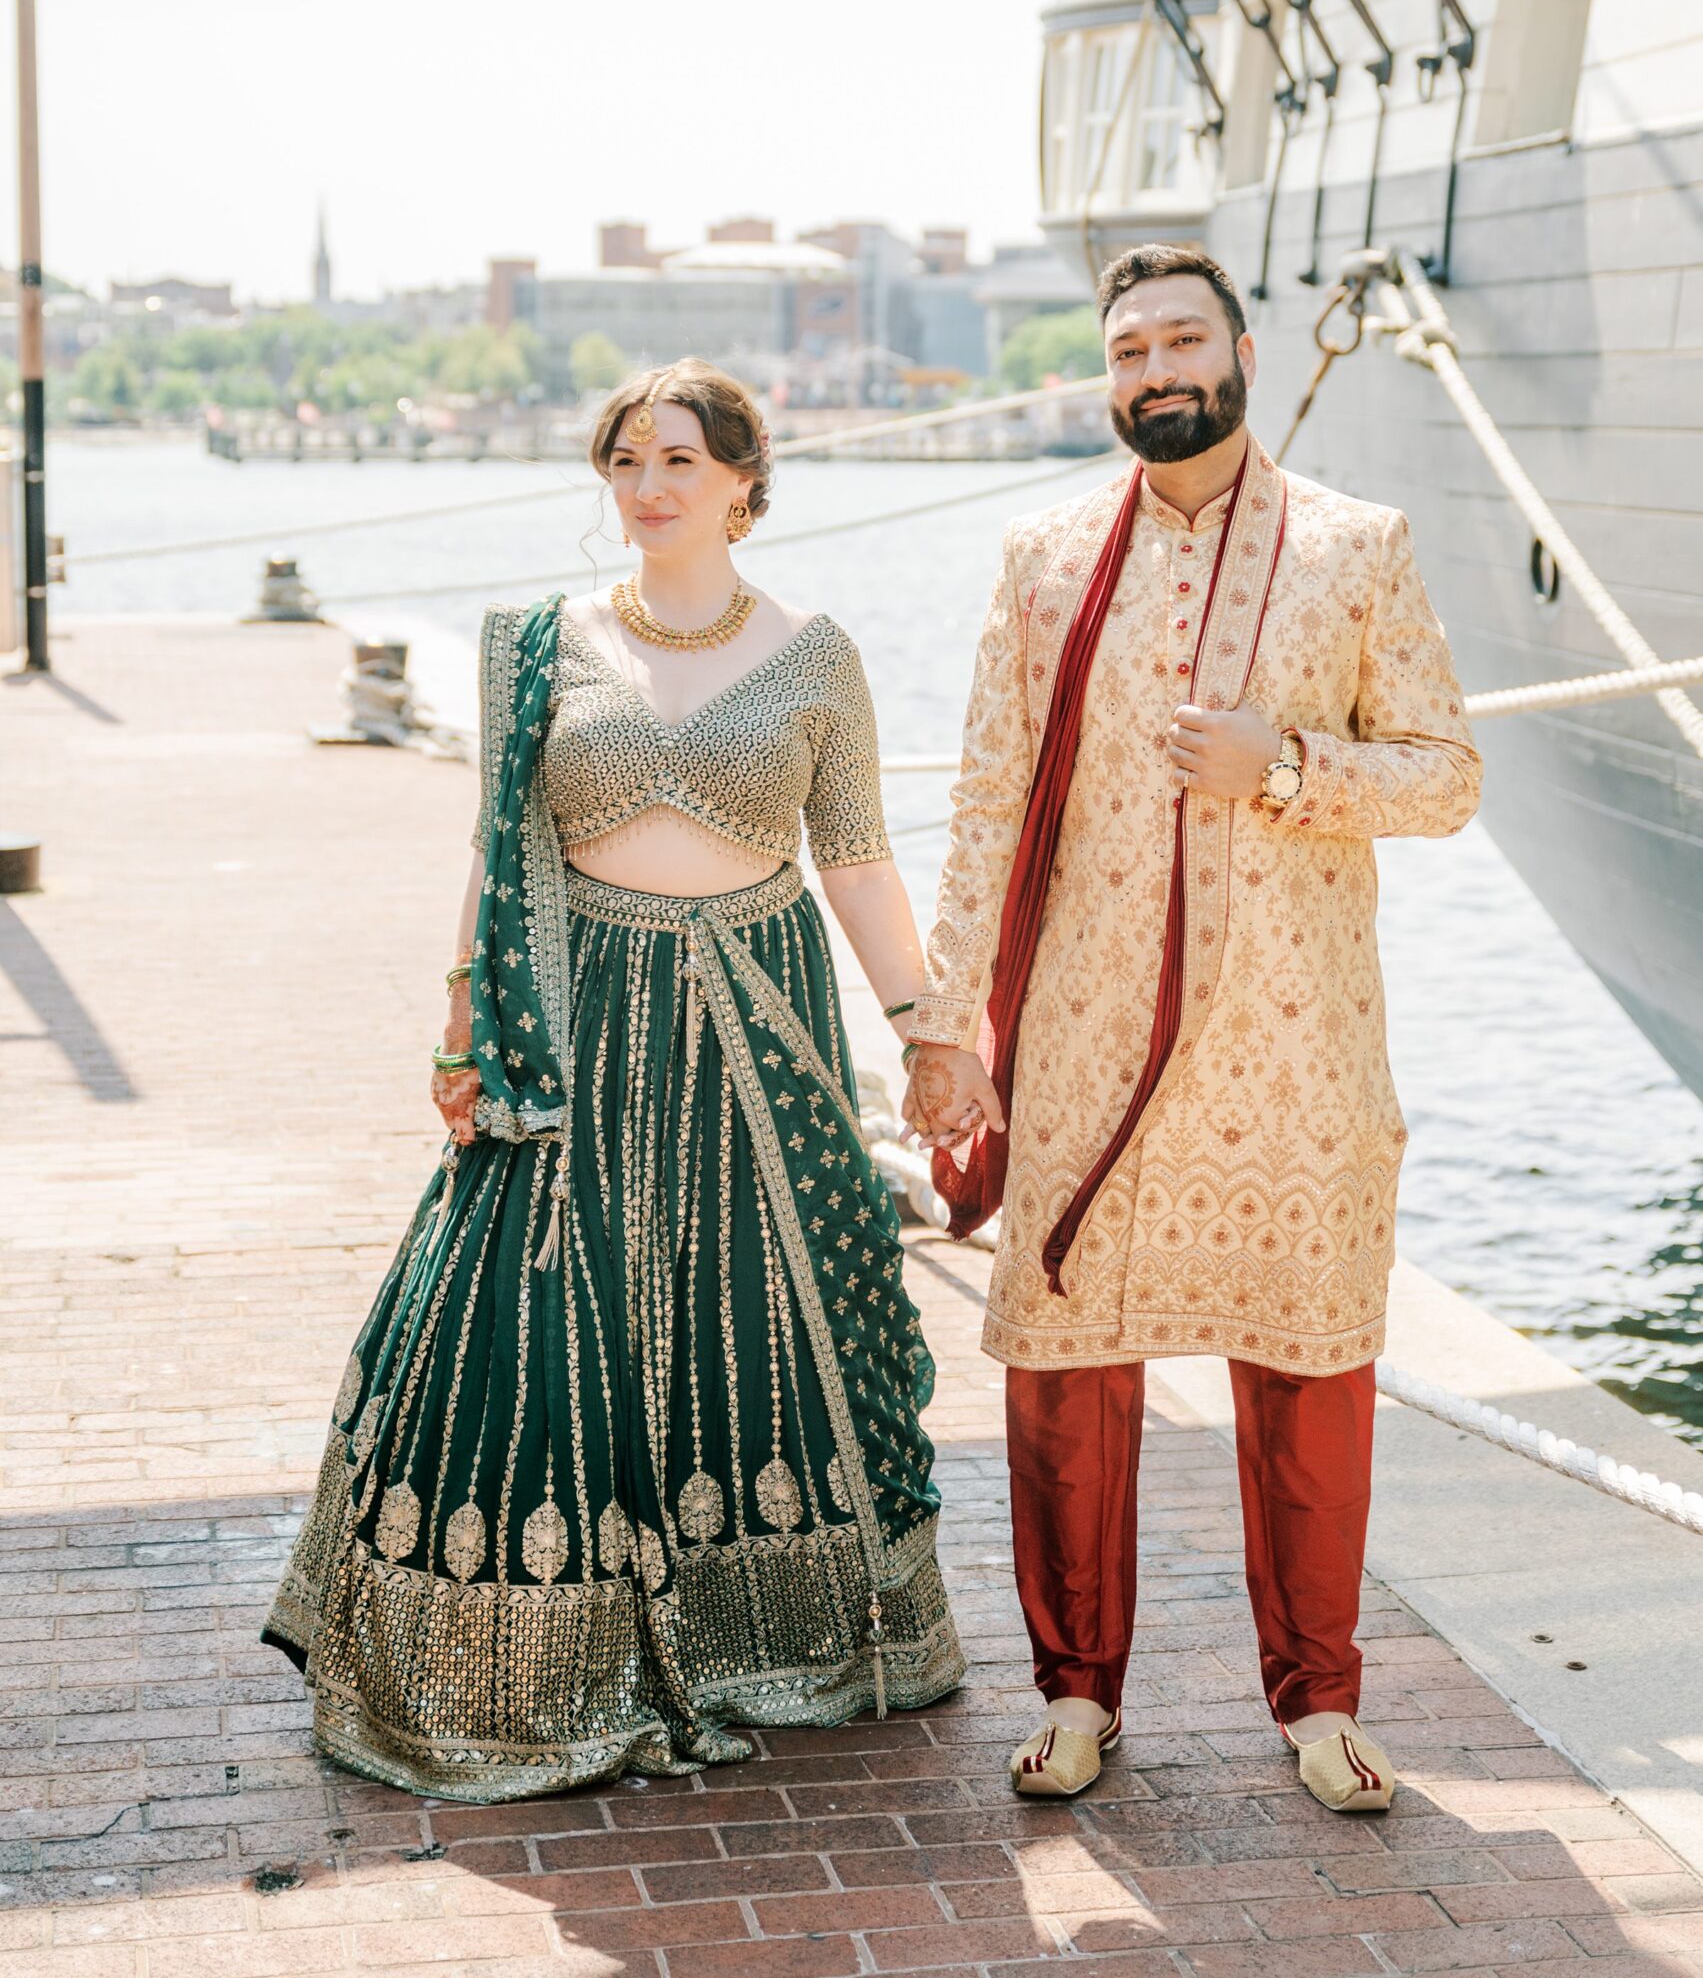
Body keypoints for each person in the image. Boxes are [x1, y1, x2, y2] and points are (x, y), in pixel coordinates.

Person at [265, 358, 964, 1798]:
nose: (649, 488)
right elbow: (490, 849)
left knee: (766, 1324)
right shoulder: (541, 641)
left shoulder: (815, 652)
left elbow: (856, 855)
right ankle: (516, 1661)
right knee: (520, 1328)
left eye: (681, 462)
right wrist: (461, 1027)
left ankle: (779, 1640)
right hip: (572, 1028)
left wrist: (926, 1023)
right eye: (628, 461)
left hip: (756, 1033)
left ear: (744, 485)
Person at [900, 243, 1481, 1813]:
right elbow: (985, 801)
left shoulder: (1357, 548)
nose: (1157, 367)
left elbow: (1444, 775)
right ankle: (1078, 1692)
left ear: (1240, 349)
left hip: (1297, 1043)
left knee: (1309, 1369)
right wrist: (946, 1027)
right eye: (1129, 346)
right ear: (1108, 377)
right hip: (1085, 1036)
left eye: (1182, 338)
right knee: (1066, 1369)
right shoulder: (1045, 551)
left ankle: (1321, 1705)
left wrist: (1285, 763)